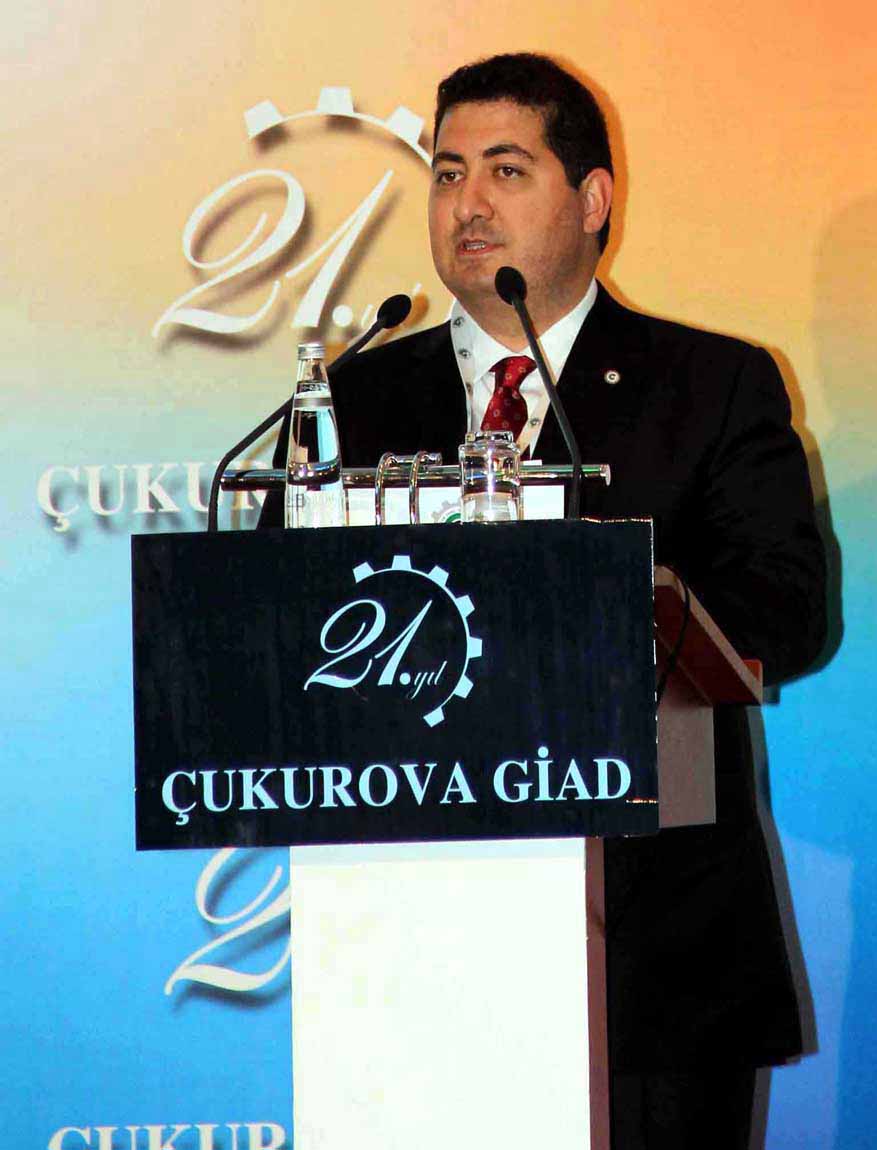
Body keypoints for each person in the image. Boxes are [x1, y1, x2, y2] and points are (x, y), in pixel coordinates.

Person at [261, 53, 826, 1147]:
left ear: (593, 198)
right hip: (405, 954)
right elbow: (276, 618)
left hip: (654, 963)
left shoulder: (711, 385)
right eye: (447, 172)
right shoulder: (355, 398)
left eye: (507, 170)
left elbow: (787, 613)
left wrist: (592, 605)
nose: (467, 204)